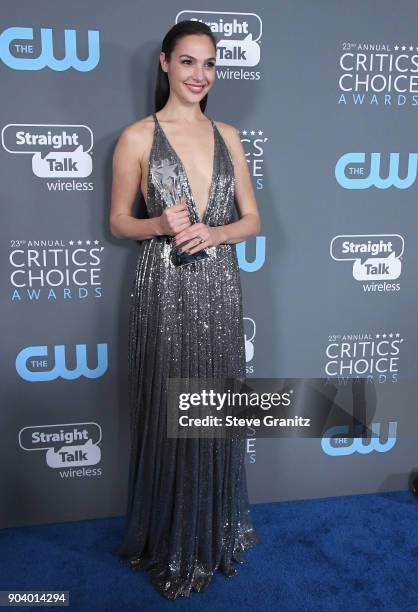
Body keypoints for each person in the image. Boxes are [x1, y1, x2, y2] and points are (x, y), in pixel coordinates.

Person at [110, 20, 261, 600]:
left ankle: (214, 531)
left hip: (220, 286)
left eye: (210, 64)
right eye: (189, 62)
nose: (200, 75)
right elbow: (119, 220)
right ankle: (170, 537)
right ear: (166, 65)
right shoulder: (136, 138)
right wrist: (157, 224)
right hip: (163, 287)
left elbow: (253, 220)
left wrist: (216, 233)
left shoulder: (229, 135)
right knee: (169, 408)